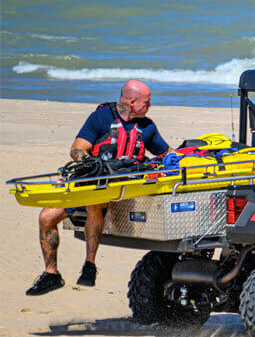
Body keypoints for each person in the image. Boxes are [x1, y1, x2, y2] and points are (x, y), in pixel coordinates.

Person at [26, 80, 171, 296]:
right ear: (131, 101)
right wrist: (91, 163)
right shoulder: (101, 118)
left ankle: (89, 266)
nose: (149, 106)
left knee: (95, 202)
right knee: (46, 217)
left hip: (124, 189)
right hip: (92, 182)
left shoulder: (147, 127)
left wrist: (189, 157)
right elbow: (76, 150)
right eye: (146, 102)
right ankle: (51, 274)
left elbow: (167, 154)